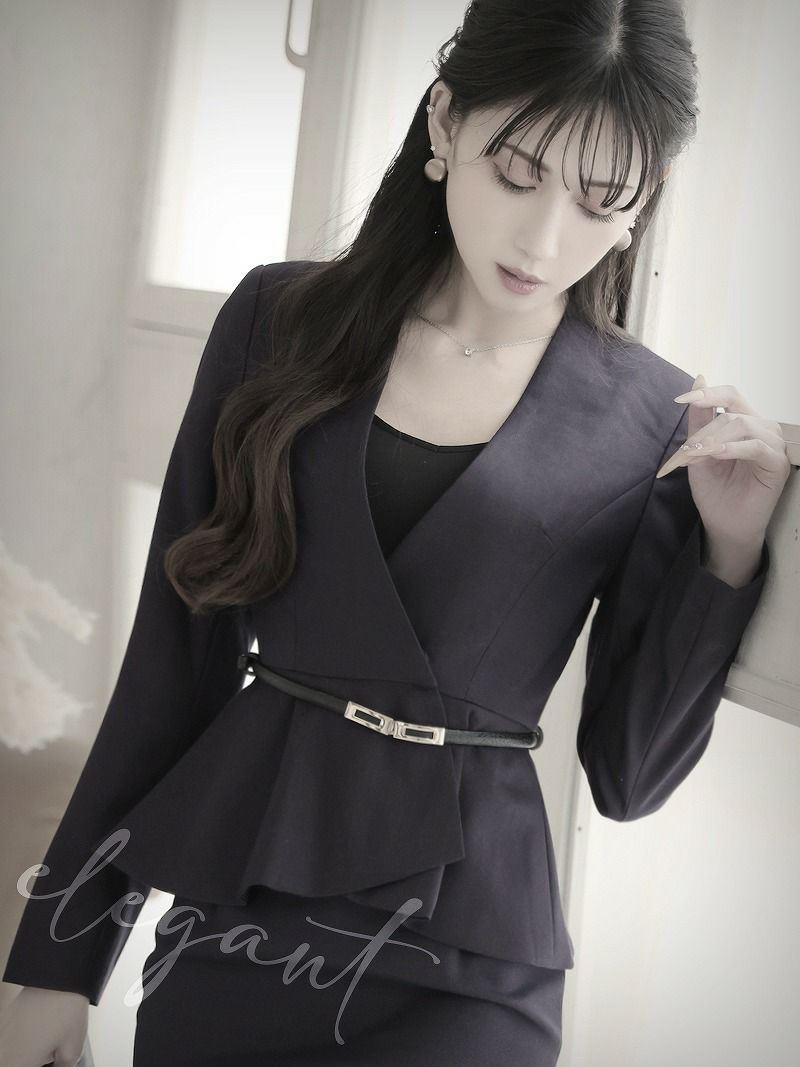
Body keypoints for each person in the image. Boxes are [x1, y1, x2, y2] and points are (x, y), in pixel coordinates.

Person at [0, 1, 789, 1064]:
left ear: (641, 202)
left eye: (601, 200)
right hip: (242, 911)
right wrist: (59, 962)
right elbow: (172, 666)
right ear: (444, 122)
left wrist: (728, 553)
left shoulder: (650, 416)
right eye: (517, 173)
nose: (544, 238)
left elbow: (626, 775)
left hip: (474, 957)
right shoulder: (277, 323)